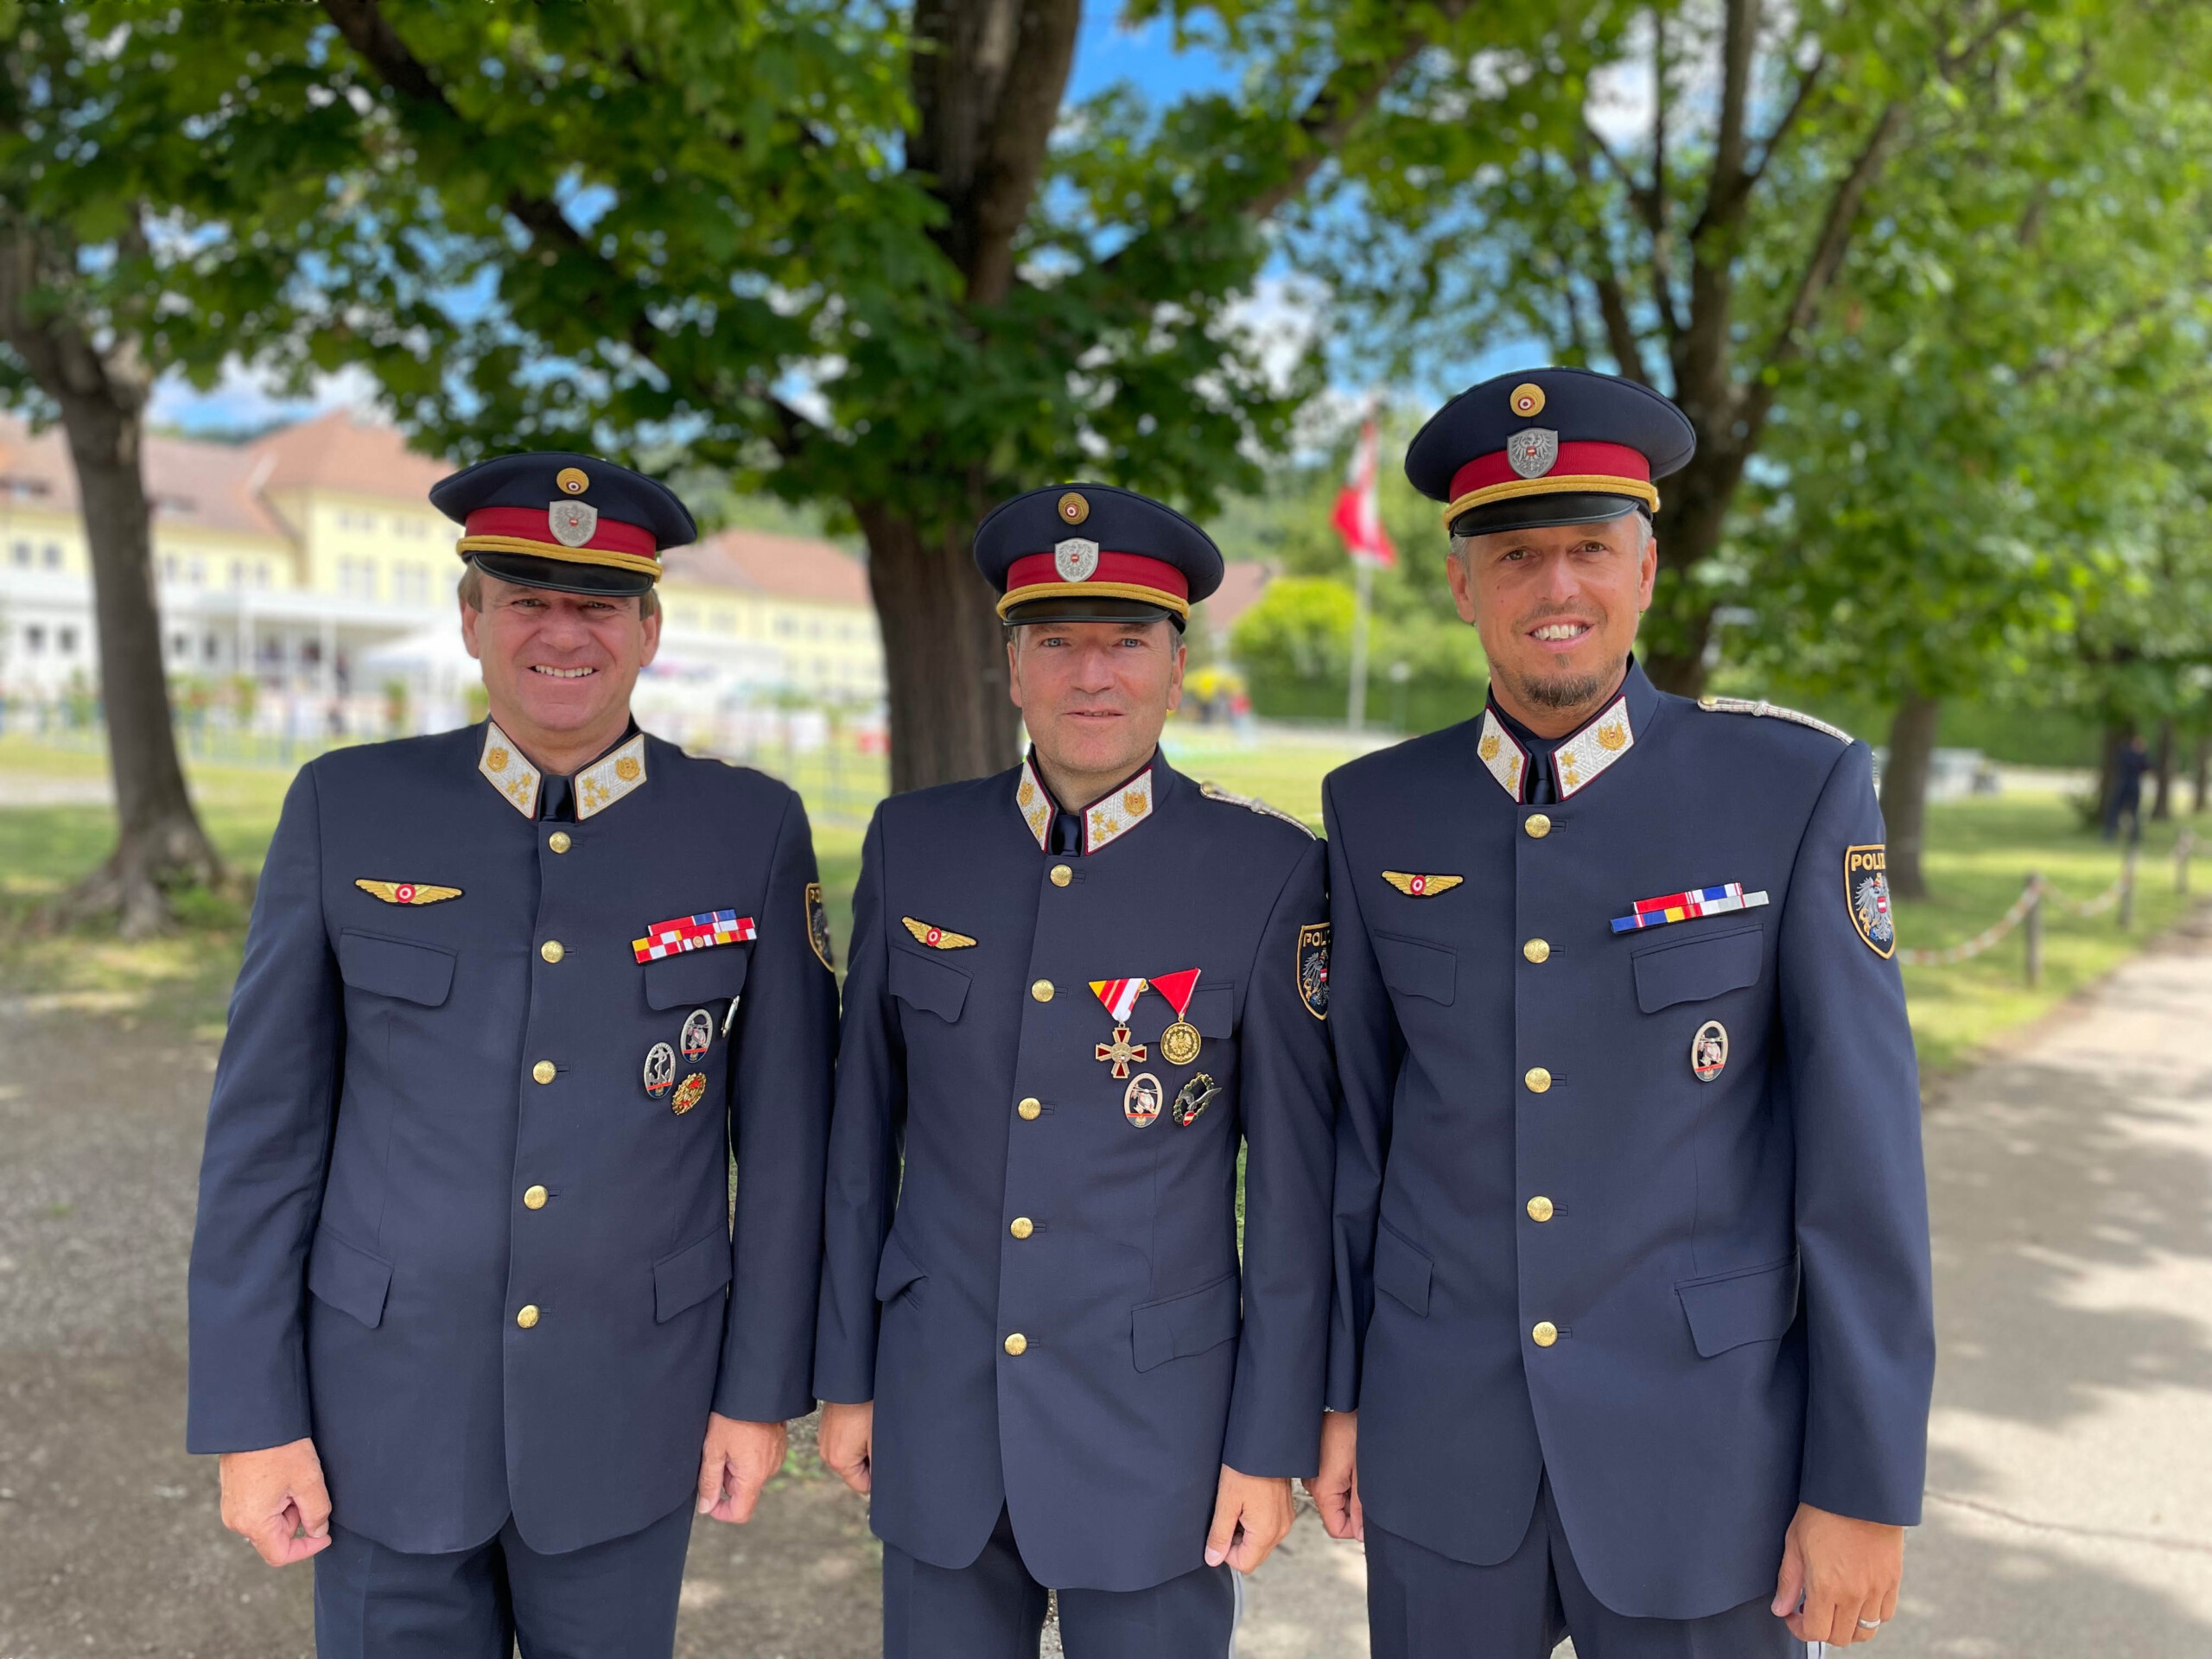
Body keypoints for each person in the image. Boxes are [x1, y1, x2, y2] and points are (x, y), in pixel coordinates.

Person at [1310, 368, 1936, 1657]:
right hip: (1442, 1446)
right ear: (1462, 585)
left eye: (1590, 549)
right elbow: (1358, 1145)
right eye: (1516, 555)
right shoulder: (1376, 809)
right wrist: (1337, 1399)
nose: (1557, 586)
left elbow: (1862, 1168)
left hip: (1706, 1464)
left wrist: (1861, 1485)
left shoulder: (1791, 788)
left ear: (1645, 571)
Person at [185, 454, 838, 1658]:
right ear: (470, 619)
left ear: (649, 631)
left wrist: (757, 1396)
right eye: (527, 599)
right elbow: (263, 1140)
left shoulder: (747, 829)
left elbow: (790, 1145)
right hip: (381, 1407)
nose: (562, 633)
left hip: (631, 1405)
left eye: (598, 605)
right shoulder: (348, 807)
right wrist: (252, 1416)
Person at [812, 484, 1338, 1659]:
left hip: (1158, 1431)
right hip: (939, 1407)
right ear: (1012, 666)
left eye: (1127, 642)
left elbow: (1295, 1193)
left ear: (1177, 666)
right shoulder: (915, 844)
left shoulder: (1265, 870)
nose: (1091, 675)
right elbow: (858, 1137)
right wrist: (848, 1378)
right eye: (1056, 643)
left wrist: (1268, 1444)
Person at [2105, 732, 2151, 842]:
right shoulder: (2127, 754)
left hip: (2132, 786)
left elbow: (2147, 766)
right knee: (2115, 810)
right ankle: (2110, 833)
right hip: (2124, 785)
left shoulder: (2139, 756)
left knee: (2133, 812)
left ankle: (2134, 836)